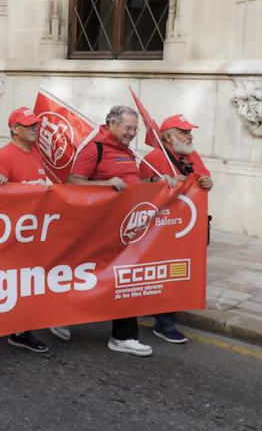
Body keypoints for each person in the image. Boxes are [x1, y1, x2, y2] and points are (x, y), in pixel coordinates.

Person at [68, 105, 175, 356]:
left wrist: (156, 182)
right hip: (99, 227)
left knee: (124, 278)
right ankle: (59, 316)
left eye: (135, 129)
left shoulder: (126, 151)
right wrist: (105, 183)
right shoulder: (94, 148)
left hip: (126, 227)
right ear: (112, 124)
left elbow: (132, 185)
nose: (132, 133)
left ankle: (123, 336)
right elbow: (72, 182)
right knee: (89, 276)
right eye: (128, 128)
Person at [138, 113, 213, 343]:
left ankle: (165, 317)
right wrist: (162, 185)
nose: (189, 135)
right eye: (183, 131)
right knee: (167, 272)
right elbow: (140, 191)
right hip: (164, 228)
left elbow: (204, 178)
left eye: (189, 131)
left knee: (181, 272)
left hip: (189, 225)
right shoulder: (154, 158)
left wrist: (207, 182)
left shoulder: (190, 155)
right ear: (168, 137)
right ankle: (164, 323)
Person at [0, 107, 54, 354]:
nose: (35, 129)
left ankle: (20, 329)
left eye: (36, 125)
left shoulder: (36, 153)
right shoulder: (3, 157)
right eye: (29, 126)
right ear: (15, 129)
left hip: (36, 231)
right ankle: (18, 330)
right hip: (14, 234)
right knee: (16, 282)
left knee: (30, 282)